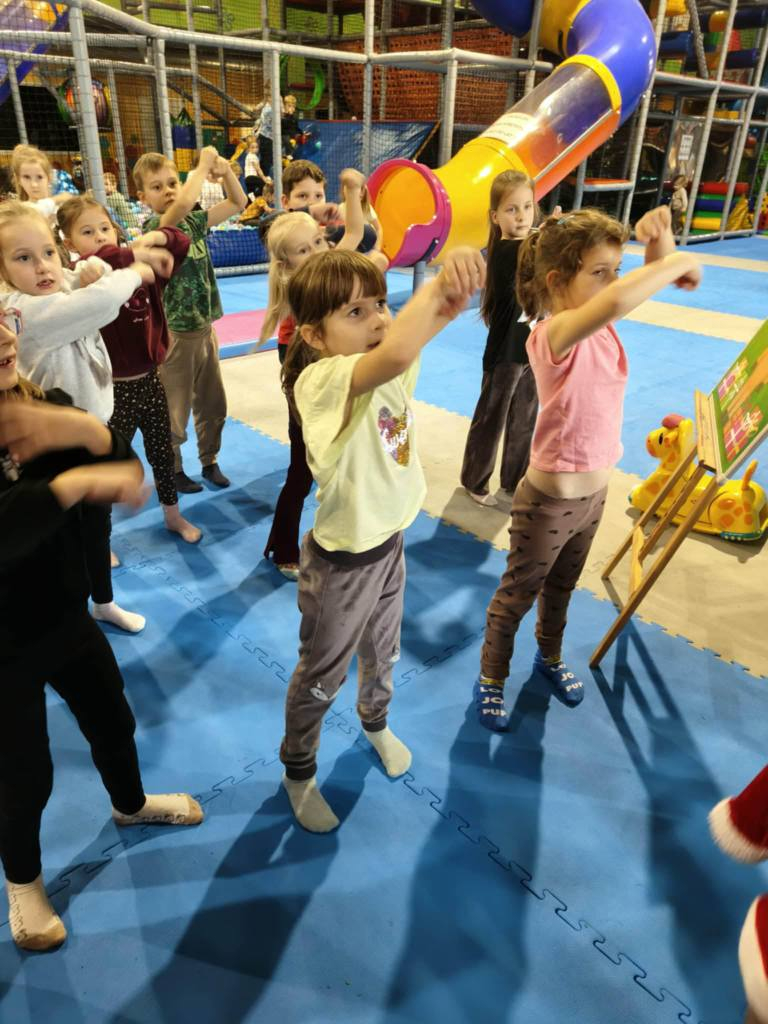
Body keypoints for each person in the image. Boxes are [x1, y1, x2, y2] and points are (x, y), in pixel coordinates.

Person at [0, 321, 203, 953]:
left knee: (113, 719)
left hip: (64, 615)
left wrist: (81, 430)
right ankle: (23, 881)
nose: (2, 336)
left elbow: (124, 471)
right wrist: (70, 484)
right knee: (23, 774)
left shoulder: (45, 409)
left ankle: (130, 803)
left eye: (1, 321)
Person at [278, 245, 485, 832]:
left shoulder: (383, 360)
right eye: (355, 312)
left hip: (389, 543)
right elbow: (394, 351)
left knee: (384, 651)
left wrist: (449, 301)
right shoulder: (321, 381)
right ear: (314, 336)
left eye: (380, 304)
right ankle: (298, 769)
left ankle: (375, 721)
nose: (376, 319)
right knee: (322, 675)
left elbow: (403, 347)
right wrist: (437, 286)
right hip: (342, 565)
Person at [474, 205, 701, 730]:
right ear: (558, 281)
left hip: (594, 497)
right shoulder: (553, 335)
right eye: (599, 272)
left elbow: (630, 290)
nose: (612, 282)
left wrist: (662, 243)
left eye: (615, 271)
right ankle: (492, 677)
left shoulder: (601, 328)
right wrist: (676, 262)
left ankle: (549, 656)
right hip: (550, 503)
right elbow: (620, 297)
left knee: (562, 588)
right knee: (518, 594)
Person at [0, 200, 162, 633]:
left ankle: (103, 602)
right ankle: (63, 619)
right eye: (23, 258)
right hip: (53, 445)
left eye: (48, 252)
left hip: (92, 429)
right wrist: (134, 272)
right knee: (61, 538)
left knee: (97, 528)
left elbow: (85, 281)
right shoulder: (20, 313)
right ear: (3, 272)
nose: (42, 266)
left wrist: (95, 269)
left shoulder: (55, 288)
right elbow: (101, 303)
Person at [57, 194, 201, 546]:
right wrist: (133, 254)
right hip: (110, 391)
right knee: (106, 464)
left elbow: (180, 244)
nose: (100, 236)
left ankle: (172, 515)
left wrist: (154, 238)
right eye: (87, 232)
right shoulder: (82, 277)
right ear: (69, 243)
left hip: (150, 381)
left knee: (162, 453)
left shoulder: (141, 270)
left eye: (105, 228)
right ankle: (100, 539)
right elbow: (98, 259)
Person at [258, 171, 369, 580]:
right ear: (287, 264)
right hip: (301, 372)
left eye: (318, 242)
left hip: (328, 371)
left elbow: (354, 233)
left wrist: (353, 192)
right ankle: (283, 548)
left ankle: (342, 536)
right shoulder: (300, 287)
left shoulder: (322, 268)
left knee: (340, 458)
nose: (317, 252)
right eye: (304, 250)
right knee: (303, 467)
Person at [135, 146, 248, 493]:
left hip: (205, 330)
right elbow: (183, 204)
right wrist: (200, 168)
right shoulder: (157, 227)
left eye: (172, 183)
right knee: (175, 411)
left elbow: (238, 202)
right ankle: (173, 468)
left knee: (213, 404)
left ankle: (209, 460)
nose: (169, 191)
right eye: (157, 187)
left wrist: (225, 173)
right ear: (142, 198)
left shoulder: (195, 224)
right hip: (175, 338)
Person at [460, 170, 540, 507]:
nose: (521, 216)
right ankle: (475, 480)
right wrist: (552, 237)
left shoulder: (532, 245)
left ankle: (514, 480)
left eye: (527, 207)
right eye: (511, 209)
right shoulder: (508, 251)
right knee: (491, 418)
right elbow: (530, 259)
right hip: (505, 353)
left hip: (533, 348)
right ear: (495, 217)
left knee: (525, 418)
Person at [255, 98, 274, 179]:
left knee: (265, 158)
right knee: (267, 159)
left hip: (264, 136)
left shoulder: (266, 107)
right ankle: (264, 177)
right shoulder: (269, 110)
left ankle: (263, 176)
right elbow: (269, 124)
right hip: (266, 137)